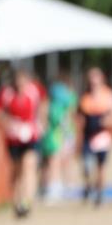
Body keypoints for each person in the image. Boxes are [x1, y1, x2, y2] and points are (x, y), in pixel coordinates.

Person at [0, 68, 47, 218]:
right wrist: (8, 122)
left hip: (31, 136)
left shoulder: (35, 90)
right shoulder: (7, 93)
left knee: (29, 166)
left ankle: (27, 201)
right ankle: (16, 201)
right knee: (17, 171)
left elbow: (43, 104)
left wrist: (42, 122)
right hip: (14, 138)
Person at [78, 67, 112, 206]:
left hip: (102, 135)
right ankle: (88, 185)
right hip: (88, 135)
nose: (93, 83)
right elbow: (78, 115)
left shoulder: (109, 95)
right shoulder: (85, 96)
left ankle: (100, 193)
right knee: (86, 165)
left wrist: (108, 121)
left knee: (101, 166)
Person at [39, 73, 78, 203]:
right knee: (58, 160)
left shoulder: (56, 97)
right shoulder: (67, 96)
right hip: (61, 133)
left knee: (55, 161)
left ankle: (58, 186)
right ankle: (61, 185)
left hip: (60, 133)